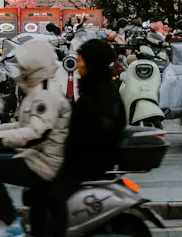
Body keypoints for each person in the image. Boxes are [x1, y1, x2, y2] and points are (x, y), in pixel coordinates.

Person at [0, 39, 70, 237]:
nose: (20, 68)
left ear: (35, 65)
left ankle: (10, 222)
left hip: (44, 162)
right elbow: (23, 125)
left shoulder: (45, 94)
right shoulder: (40, 89)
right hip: (38, 155)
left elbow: (35, 133)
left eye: (24, 64)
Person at [34, 38, 125, 237]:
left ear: (92, 62)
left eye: (82, 59)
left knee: (46, 193)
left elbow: (89, 133)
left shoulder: (101, 94)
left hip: (87, 163)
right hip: (82, 159)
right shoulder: (95, 88)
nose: (78, 63)